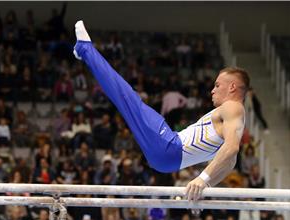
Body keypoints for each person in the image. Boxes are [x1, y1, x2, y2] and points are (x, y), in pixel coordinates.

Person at [73, 21, 249, 201]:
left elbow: (231, 149)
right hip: (168, 161)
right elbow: (230, 163)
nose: (212, 90)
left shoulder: (232, 107)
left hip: (169, 147)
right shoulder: (236, 120)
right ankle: (85, 51)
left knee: (127, 97)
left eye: (217, 85)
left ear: (232, 87)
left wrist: (202, 180)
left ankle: (85, 48)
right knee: (126, 102)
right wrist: (205, 185)